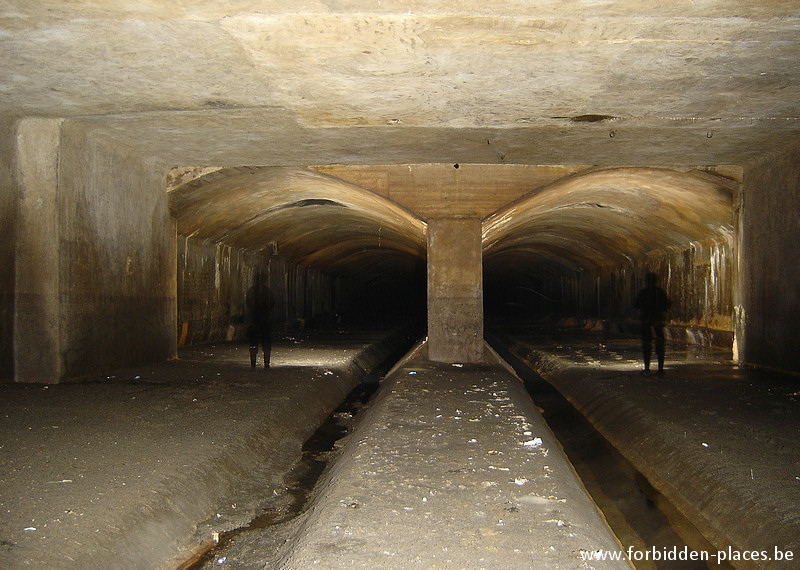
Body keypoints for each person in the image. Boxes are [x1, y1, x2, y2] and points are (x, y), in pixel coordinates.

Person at [634, 272, 671, 375]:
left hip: (646, 319)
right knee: (660, 344)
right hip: (658, 319)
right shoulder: (660, 292)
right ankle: (660, 368)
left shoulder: (644, 292)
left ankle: (647, 368)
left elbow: (636, 304)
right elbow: (666, 305)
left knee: (646, 344)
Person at [246, 273, 273, 368]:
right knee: (266, 343)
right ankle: (266, 363)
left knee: (253, 343)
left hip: (254, 320)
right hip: (265, 320)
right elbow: (272, 304)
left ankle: (253, 363)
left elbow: (248, 303)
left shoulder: (251, 291)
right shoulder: (268, 292)